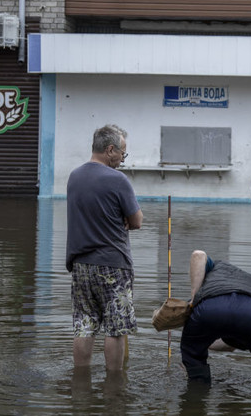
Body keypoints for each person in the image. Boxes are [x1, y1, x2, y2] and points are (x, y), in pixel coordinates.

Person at [66, 124, 143, 370]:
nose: (122, 159)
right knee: (116, 328)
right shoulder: (118, 180)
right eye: (122, 153)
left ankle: (80, 381)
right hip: (113, 265)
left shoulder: (74, 176)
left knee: (84, 324)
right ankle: (114, 384)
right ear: (110, 150)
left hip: (80, 265)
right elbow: (137, 221)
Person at [180, 250, 251, 391]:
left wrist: (194, 299)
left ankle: (196, 396)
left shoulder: (216, 266)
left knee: (192, 354)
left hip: (211, 307)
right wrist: (205, 342)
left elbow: (198, 255)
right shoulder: (249, 280)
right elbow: (230, 344)